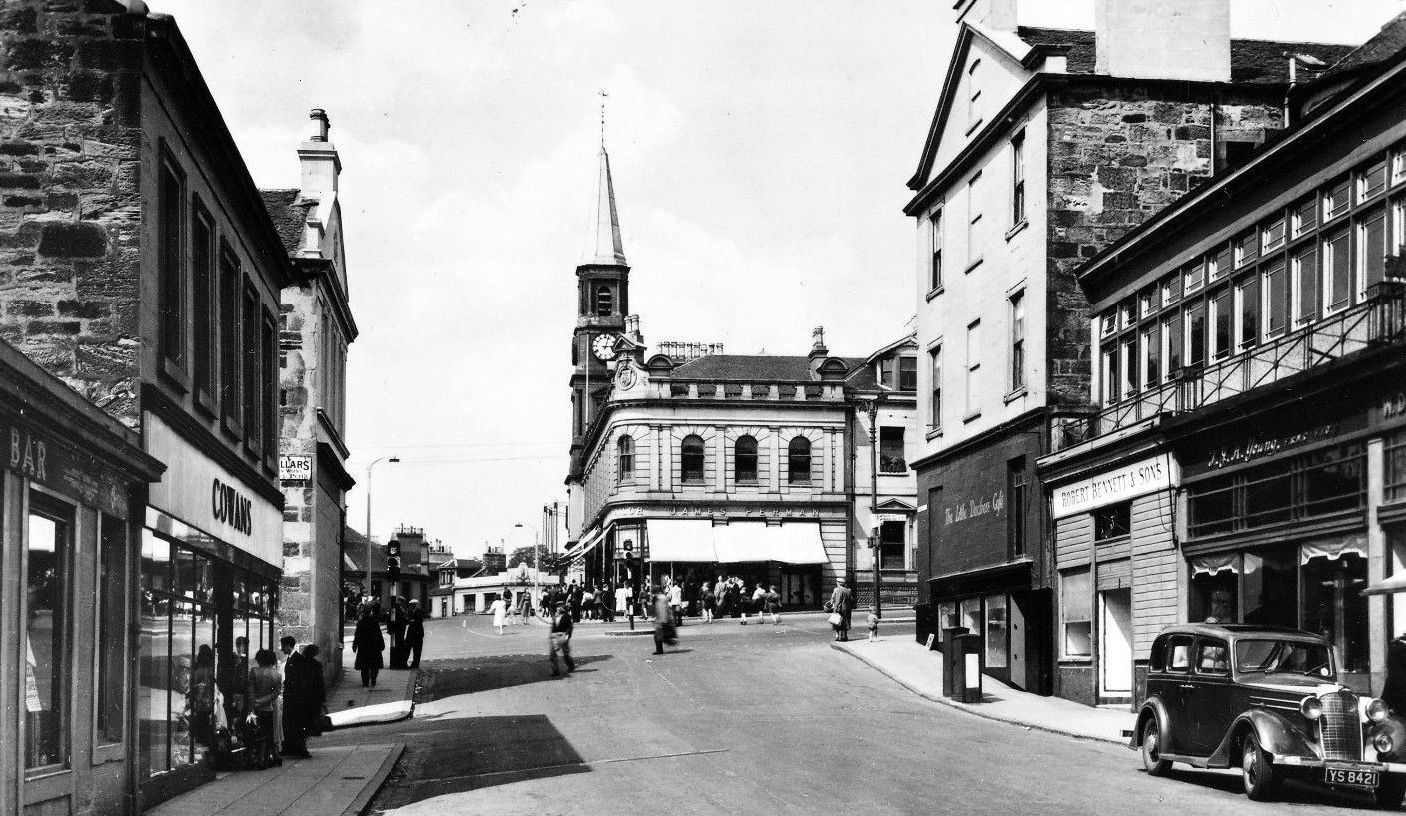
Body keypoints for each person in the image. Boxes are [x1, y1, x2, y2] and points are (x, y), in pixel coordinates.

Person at [248, 648, 282, 769]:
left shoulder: (254, 672)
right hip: (268, 708)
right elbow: (275, 694)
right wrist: (262, 701)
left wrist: (254, 704)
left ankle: (260, 758)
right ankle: (269, 757)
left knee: (257, 733)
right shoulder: (277, 675)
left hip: (254, 709)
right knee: (268, 733)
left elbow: (250, 692)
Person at [352, 606, 385, 688]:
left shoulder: (361, 622)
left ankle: (365, 682)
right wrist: (381, 644)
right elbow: (379, 634)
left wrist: (355, 645)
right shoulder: (374, 621)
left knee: (364, 666)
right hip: (374, 647)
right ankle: (373, 679)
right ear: (370, 612)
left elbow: (357, 635)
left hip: (364, 647)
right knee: (374, 665)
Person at [549, 602, 576, 675]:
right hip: (555, 636)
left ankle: (571, 666)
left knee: (566, 654)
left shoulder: (566, 615)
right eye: (557, 606)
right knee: (553, 655)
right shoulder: (555, 615)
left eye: (560, 606)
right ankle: (555, 671)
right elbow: (554, 626)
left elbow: (570, 627)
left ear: (563, 607)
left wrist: (568, 635)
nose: (559, 608)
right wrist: (551, 635)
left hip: (563, 635)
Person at [652, 585, 675, 655]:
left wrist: (662, 621)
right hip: (662, 619)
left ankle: (661, 649)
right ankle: (668, 643)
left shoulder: (661, 598)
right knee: (659, 636)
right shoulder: (661, 598)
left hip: (662, 620)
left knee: (657, 636)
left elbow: (663, 610)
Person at [830, 577, 854, 642]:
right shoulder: (848, 590)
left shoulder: (836, 590)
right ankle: (845, 636)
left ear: (838, 583)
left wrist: (835, 607)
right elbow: (851, 600)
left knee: (837, 621)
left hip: (839, 608)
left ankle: (838, 636)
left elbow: (837, 600)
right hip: (847, 608)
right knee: (845, 622)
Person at [405, 600, 425, 668]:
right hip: (410, 633)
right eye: (410, 605)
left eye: (412, 604)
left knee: (417, 650)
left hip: (418, 633)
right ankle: (405, 662)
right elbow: (407, 620)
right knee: (407, 648)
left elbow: (419, 621)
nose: (411, 606)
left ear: (415, 604)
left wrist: (412, 621)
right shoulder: (410, 611)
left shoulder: (419, 611)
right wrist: (411, 620)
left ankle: (415, 664)